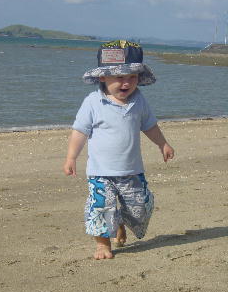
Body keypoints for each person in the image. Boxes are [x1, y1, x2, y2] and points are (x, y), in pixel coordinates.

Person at [63, 40, 174, 260]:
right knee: (101, 207)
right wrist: (71, 157)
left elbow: (149, 125)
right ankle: (102, 244)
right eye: (119, 77)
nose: (126, 83)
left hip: (132, 170)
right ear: (103, 77)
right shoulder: (93, 102)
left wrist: (163, 143)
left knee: (139, 207)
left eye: (132, 77)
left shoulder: (139, 101)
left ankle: (120, 221)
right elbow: (79, 131)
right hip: (101, 172)